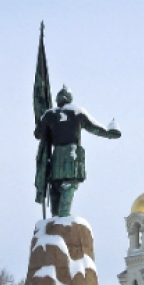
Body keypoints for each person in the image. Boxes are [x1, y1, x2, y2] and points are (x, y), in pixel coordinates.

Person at [34, 86, 121, 217]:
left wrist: (41, 119)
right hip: (71, 154)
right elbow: (95, 128)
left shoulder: (49, 115)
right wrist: (111, 133)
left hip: (56, 155)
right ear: (69, 100)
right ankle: (63, 216)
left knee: (56, 185)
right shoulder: (76, 112)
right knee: (69, 184)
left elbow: (38, 134)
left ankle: (56, 217)